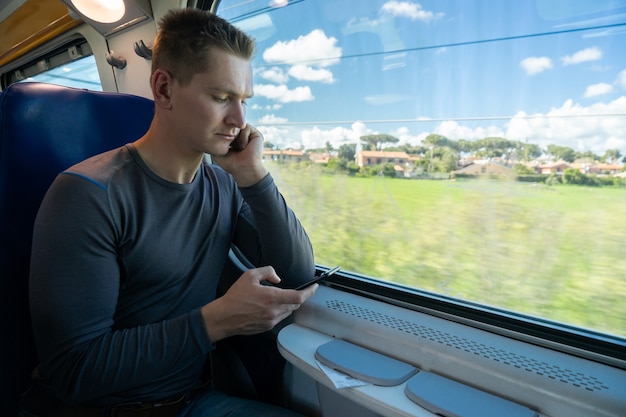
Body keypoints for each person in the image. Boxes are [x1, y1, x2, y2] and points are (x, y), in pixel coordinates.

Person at [20, 7, 317, 417]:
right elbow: (74, 371)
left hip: (190, 401)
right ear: (163, 90)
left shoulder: (223, 186)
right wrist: (217, 321)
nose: (239, 120)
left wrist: (254, 176)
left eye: (244, 101)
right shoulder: (88, 195)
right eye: (220, 97)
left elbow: (297, 272)